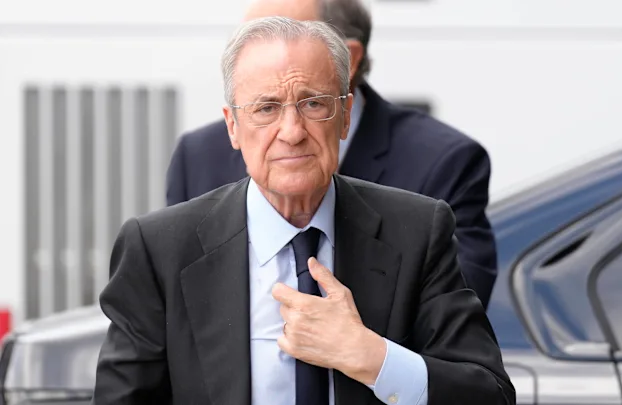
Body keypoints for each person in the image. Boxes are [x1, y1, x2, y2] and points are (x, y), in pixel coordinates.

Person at [92, 17, 514, 405]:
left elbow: (490, 395)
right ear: (232, 126)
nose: (292, 132)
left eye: (314, 104)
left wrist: (371, 356)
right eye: (266, 108)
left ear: (345, 116)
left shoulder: (417, 231)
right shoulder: (160, 249)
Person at [165, 0, 499, 308]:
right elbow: (177, 311)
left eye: (284, 37)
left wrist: (361, 345)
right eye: (249, 39)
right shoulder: (199, 157)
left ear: (350, 59)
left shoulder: (443, 162)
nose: (291, 133)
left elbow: (456, 321)